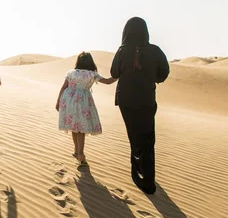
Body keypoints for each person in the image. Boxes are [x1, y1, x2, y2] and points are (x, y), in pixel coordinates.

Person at [111, 17, 170, 194]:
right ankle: (148, 181)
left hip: (126, 101)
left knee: (134, 137)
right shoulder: (155, 50)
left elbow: (114, 72)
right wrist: (151, 76)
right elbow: (163, 73)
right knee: (147, 138)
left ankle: (138, 173)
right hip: (146, 100)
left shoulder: (122, 51)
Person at [56, 52, 116, 166]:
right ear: (90, 62)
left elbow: (64, 87)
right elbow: (108, 81)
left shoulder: (71, 73)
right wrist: (119, 75)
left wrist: (58, 101)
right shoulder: (91, 74)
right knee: (81, 128)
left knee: (74, 126)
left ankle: (76, 150)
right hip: (82, 101)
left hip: (68, 100)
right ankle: (81, 155)